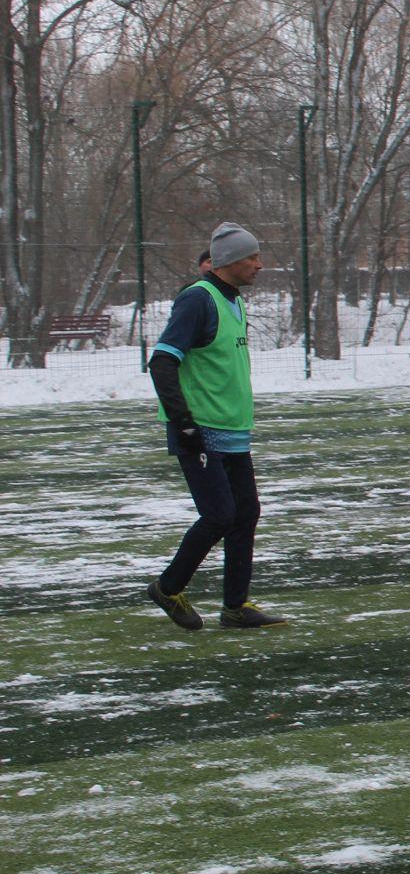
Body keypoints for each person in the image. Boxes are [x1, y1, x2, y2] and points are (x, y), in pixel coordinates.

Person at [146, 222, 288, 630]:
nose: (260, 265)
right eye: (253, 257)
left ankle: (235, 607)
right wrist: (184, 423)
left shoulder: (234, 301)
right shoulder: (198, 300)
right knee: (219, 516)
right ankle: (167, 588)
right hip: (200, 431)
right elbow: (162, 362)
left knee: (245, 514)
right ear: (227, 262)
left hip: (232, 431)